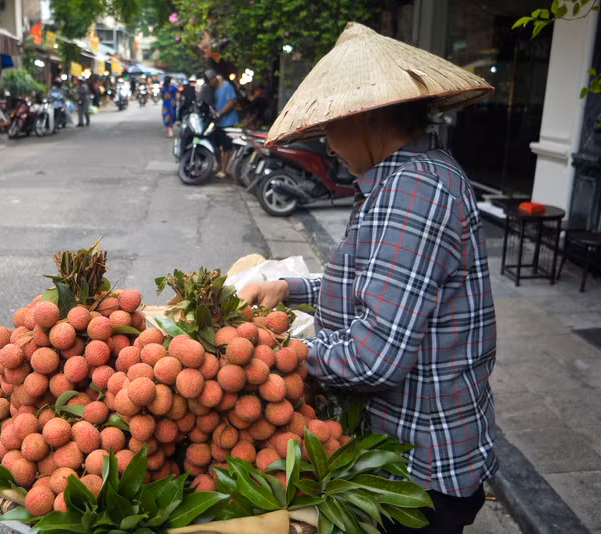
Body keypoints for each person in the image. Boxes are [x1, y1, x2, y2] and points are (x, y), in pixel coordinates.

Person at [238, 22, 496, 534]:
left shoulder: (412, 194)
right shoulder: (412, 177)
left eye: (329, 127)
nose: (328, 144)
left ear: (362, 117)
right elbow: (376, 285)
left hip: (417, 472)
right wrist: (290, 289)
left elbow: (373, 358)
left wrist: (265, 353)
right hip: (416, 454)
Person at [206, 70, 238, 178]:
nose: (209, 84)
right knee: (215, 145)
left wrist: (220, 114)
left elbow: (231, 103)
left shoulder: (227, 86)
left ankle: (224, 169)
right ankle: (219, 165)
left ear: (214, 78)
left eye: (209, 82)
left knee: (226, 147)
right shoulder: (215, 89)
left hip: (228, 122)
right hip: (218, 123)